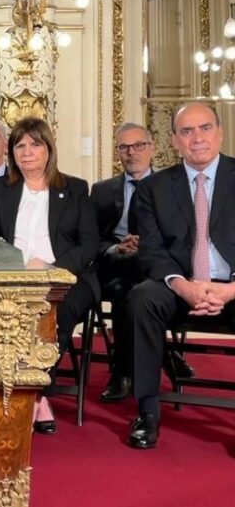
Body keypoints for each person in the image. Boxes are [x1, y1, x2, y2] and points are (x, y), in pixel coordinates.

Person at [0, 116, 98, 435]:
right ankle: (13, 392)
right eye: (19, 145)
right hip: (12, 278)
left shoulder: (74, 188)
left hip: (66, 277)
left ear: (49, 149)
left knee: (56, 313)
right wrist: (11, 266)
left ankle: (35, 397)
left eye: (35, 144)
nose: (27, 152)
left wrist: (50, 268)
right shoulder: (1, 190)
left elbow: (89, 244)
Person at [126, 101, 235, 450]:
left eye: (205, 128)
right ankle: (147, 411)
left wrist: (230, 290)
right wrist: (185, 287)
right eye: (186, 131)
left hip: (232, 286)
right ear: (174, 140)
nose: (197, 138)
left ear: (220, 133)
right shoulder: (153, 188)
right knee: (141, 298)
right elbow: (152, 252)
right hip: (179, 285)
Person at [89, 122, 155, 403]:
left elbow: (180, 236)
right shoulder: (102, 190)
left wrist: (146, 245)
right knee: (124, 288)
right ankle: (129, 369)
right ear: (118, 152)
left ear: (152, 148)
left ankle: (123, 370)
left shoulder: (169, 186)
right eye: (124, 147)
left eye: (138, 145)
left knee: (130, 289)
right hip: (113, 264)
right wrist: (116, 247)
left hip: (153, 266)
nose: (132, 153)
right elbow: (89, 237)